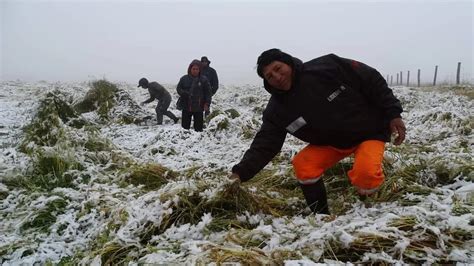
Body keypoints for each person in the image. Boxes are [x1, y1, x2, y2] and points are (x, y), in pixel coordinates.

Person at [229, 48, 406, 215]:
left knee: (365, 175)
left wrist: (393, 114)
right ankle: (321, 216)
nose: (276, 76)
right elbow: (265, 143)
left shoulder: (327, 66)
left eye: (278, 68)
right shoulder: (277, 111)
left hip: (369, 132)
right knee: (303, 165)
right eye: (269, 76)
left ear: (288, 63)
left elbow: (370, 78)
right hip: (332, 144)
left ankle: (369, 214)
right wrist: (240, 173)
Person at [176, 59, 212, 132]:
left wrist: (207, 103)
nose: (195, 70)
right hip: (186, 106)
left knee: (198, 129)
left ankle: (198, 141)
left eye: (197, 69)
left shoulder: (204, 80)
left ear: (199, 70)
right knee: (185, 128)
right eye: (193, 69)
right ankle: (184, 140)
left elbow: (208, 93)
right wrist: (184, 93)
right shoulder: (184, 78)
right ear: (190, 69)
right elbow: (178, 88)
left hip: (199, 107)